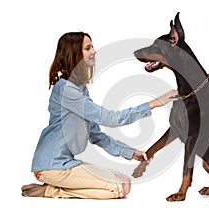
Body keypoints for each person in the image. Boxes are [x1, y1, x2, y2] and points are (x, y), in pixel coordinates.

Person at [21, 32, 178, 199]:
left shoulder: (80, 89)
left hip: (66, 163)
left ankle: (56, 184)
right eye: (87, 48)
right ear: (73, 53)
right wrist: (153, 103)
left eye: (92, 47)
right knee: (119, 189)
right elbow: (110, 118)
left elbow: (97, 135)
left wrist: (130, 153)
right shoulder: (66, 90)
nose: (94, 51)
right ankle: (50, 190)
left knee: (124, 180)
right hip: (52, 166)